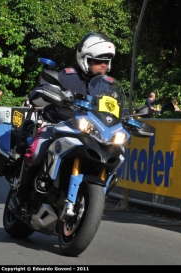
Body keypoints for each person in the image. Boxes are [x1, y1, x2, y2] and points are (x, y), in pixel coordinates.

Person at [8, 31, 116, 213]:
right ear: (85, 59)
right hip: (58, 125)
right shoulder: (67, 76)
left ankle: (89, 199)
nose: (103, 65)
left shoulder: (108, 86)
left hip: (92, 132)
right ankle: (21, 193)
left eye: (106, 61)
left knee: (115, 154)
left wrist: (132, 116)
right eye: (99, 61)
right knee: (37, 149)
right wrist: (45, 92)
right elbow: (40, 92)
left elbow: (115, 109)